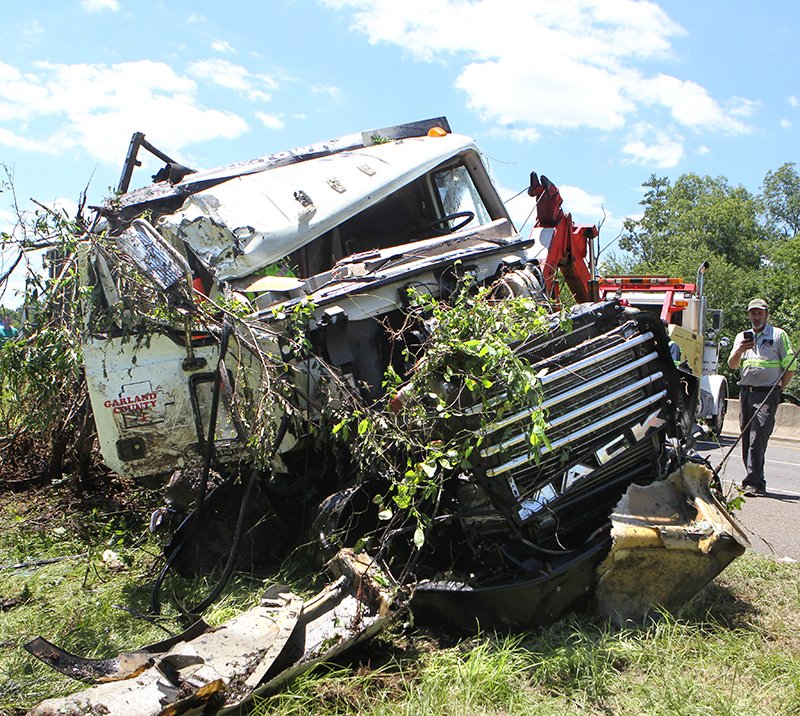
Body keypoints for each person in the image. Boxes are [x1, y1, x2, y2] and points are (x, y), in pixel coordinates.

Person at [728, 298, 796, 496]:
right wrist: (740, 349)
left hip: (767, 393)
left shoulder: (778, 335)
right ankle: (756, 479)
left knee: (757, 437)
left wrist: (780, 387)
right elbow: (732, 365)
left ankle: (753, 482)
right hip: (745, 393)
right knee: (746, 436)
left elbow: (790, 366)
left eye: (759, 313)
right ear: (749, 315)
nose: (756, 317)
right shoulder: (742, 336)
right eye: (753, 313)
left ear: (767, 315)